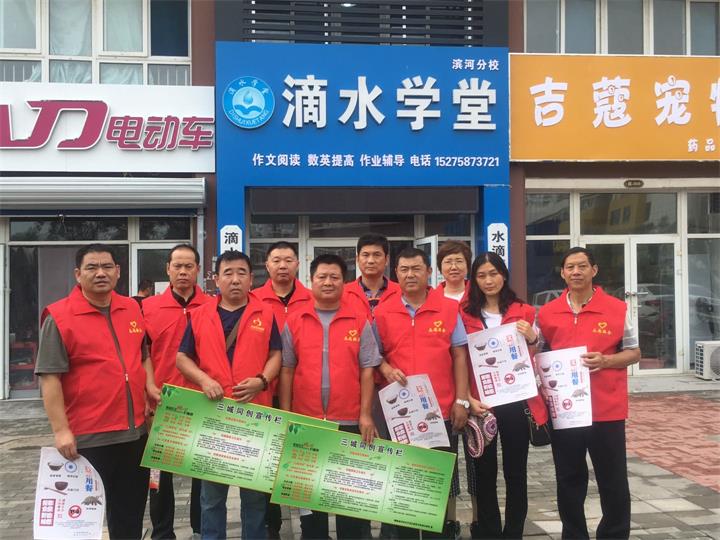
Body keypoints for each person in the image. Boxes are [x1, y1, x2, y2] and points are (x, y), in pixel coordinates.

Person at [35, 243, 155, 539]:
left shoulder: (131, 308)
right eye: (92, 267)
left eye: (107, 267)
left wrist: (150, 385)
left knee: (129, 516)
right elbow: (49, 378)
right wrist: (61, 430)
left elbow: (143, 356)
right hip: (89, 438)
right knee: (81, 521)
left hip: (134, 434)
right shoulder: (59, 317)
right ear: (78, 274)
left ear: (118, 272)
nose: (100, 273)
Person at [176, 250, 282, 540]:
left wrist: (262, 380)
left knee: (254, 496)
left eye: (241, 273)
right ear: (216, 279)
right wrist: (204, 380)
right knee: (211, 496)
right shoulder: (200, 315)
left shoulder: (266, 314)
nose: (235, 279)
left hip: (254, 414)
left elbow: (276, 355)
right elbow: (182, 358)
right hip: (213, 415)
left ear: (251, 279)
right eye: (228, 273)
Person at [536, 247, 640, 540]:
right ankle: (574, 534)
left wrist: (606, 361)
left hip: (606, 408)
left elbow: (634, 352)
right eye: (570, 267)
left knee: (613, 479)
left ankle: (614, 534)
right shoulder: (547, 312)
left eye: (582, 266)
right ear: (562, 273)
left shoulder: (617, 309)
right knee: (569, 479)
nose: (576, 272)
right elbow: (538, 351)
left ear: (594, 270)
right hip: (565, 410)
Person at [279, 253, 381, 539]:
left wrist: (365, 414)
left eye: (334, 277)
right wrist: (286, 415)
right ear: (311, 280)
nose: (327, 282)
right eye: (321, 277)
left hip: (348, 420)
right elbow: (286, 370)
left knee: (349, 500)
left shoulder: (358, 320)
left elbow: (367, 370)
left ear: (343, 282)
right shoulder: (296, 320)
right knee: (310, 503)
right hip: (306, 421)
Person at [373, 247, 471, 539]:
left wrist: (461, 400)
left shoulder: (448, 309)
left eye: (416, 269)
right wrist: (386, 368)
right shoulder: (383, 312)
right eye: (404, 270)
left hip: (439, 411)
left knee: (436, 486)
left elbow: (460, 356)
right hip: (398, 414)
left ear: (429, 272)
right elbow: (373, 355)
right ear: (396, 274)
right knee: (402, 486)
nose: (410, 275)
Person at [460, 251, 548, 539]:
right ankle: (490, 532)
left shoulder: (524, 311)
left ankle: (513, 533)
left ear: (504, 275)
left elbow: (536, 351)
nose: (488, 280)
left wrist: (533, 337)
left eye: (494, 273)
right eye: (481, 275)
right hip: (482, 404)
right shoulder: (464, 314)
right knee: (483, 473)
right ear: (474, 280)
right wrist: (467, 398)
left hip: (515, 401)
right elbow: (458, 359)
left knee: (515, 472)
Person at [142, 244, 211, 539]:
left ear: (198, 270)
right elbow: (142, 355)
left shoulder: (212, 306)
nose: (183, 272)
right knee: (159, 476)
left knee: (201, 474)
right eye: (177, 266)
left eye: (189, 266)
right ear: (167, 269)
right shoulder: (148, 308)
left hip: (202, 402)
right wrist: (147, 392)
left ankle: (200, 529)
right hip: (161, 402)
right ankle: (162, 532)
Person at [252, 241, 312, 538]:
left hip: (303, 395)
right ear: (267, 265)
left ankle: (309, 525)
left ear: (298, 264)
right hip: (264, 393)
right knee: (266, 463)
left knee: (302, 462)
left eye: (288, 260)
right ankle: (270, 524)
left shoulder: (311, 299)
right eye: (276, 260)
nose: (283, 265)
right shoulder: (253, 300)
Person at [344, 233, 400, 318]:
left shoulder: (401, 293)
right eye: (365, 255)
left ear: (387, 259)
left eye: (377, 255)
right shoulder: (343, 294)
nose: (371, 261)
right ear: (357, 259)